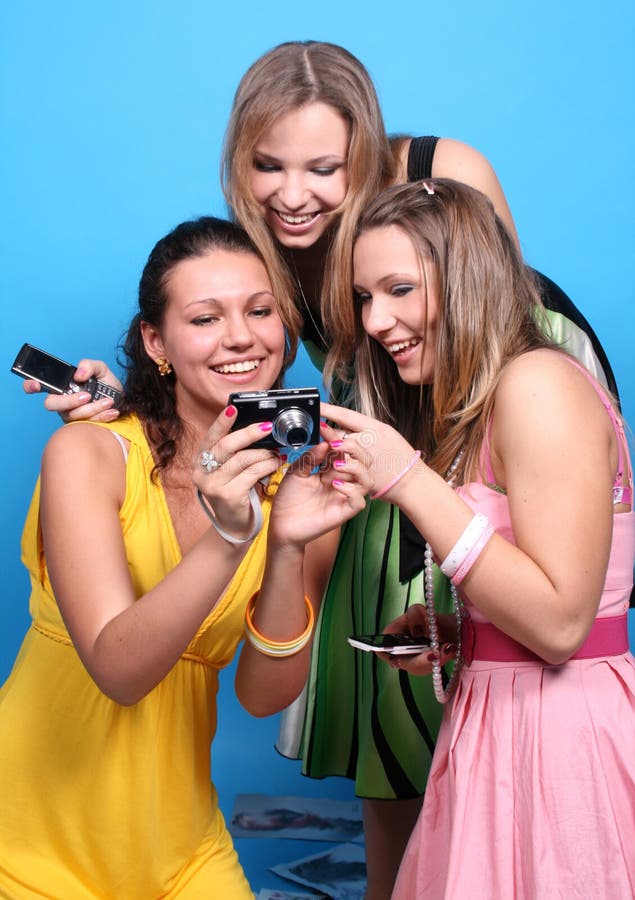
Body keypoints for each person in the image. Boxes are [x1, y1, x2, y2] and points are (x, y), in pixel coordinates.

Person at [20, 40, 622, 898]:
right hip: (391, 447)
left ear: (367, 155)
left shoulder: (452, 206)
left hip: (464, 423)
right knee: (405, 681)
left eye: (322, 167)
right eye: (267, 165)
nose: (291, 194)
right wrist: (134, 406)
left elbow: (490, 336)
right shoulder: (263, 293)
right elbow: (202, 357)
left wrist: (415, 478)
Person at [0, 216, 368, 898]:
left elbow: (262, 697)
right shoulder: (89, 453)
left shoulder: (304, 495)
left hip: (180, 850)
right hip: (23, 842)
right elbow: (119, 670)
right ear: (155, 340)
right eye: (205, 318)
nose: (240, 336)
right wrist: (232, 538)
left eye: (261, 311)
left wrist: (284, 546)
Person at [316, 178, 635, 898]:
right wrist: (468, 631)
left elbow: (560, 626)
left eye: (399, 289)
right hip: (498, 727)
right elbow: (550, 586)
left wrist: (408, 478)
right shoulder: (491, 400)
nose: (375, 320)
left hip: (560, 745)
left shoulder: (536, 385)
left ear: (466, 278)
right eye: (365, 297)